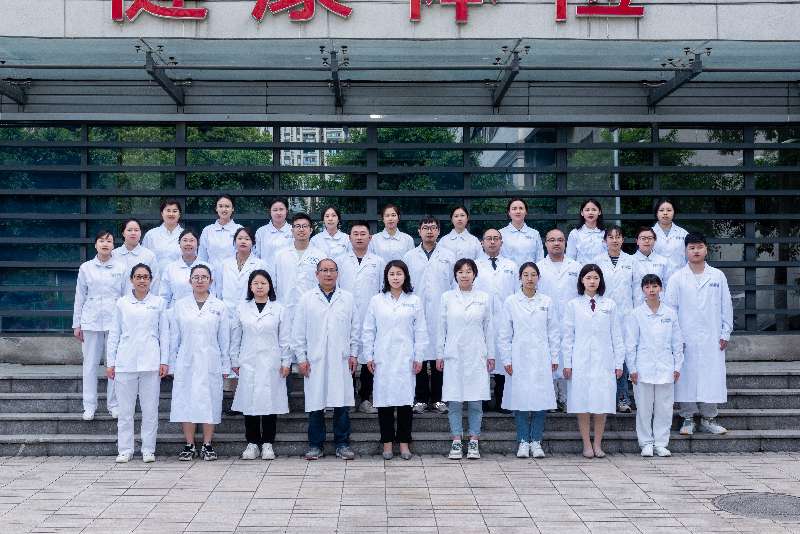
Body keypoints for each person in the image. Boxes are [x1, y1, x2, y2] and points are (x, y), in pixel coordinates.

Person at [665, 232, 733, 436]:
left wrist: (726, 332)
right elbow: (670, 310)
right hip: (685, 338)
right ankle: (687, 417)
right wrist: (674, 338)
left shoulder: (717, 276)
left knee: (711, 376)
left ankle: (709, 418)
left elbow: (726, 305)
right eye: (692, 248)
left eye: (699, 247)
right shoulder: (677, 278)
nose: (696, 251)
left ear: (706, 249)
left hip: (712, 337)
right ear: (685, 251)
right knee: (685, 378)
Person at [292, 259, 359, 460]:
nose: (328, 274)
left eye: (331, 270)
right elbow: (298, 332)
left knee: (341, 403)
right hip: (315, 359)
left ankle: (342, 444)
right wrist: (301, 358)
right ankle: (315, 445)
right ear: (317, 274)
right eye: (324, 270)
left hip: (341, 358)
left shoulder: (347, 298)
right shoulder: (306, 299)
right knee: (315, 404)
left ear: (337, 273)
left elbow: (355, 329)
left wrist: (354, 353)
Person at [361, 260, 428, 460]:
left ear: (405, 276)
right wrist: (369, 355)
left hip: (406, 358)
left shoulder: (414, 300)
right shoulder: (377, 300)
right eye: (392, 274)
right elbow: (368, 330)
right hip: (382, 357)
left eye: (399, 273)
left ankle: (405, 444)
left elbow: (421, 331)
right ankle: (387, 444)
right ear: (386, 277)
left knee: (405, 402)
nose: (395, 277)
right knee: (384, 402)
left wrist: (419, 356)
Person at [106, 263, 169, 464]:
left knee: (150, 411)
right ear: (131, 280)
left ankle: (148, 449)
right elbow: (114, 334)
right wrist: (110, 362)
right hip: (125, 362)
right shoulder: (122, 303)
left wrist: (164, 361)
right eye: (138, 277)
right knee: (125, 411)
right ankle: (125, 449)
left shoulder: (159, 303)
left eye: (145, 277)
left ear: (151, 280)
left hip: (151, 362)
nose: (142, 280)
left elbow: (164, 334)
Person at [168, 264, 231, 461]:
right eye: (196, 277)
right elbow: (174, 338)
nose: (200, 280)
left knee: (210, 401)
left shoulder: (219, 306)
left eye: (204, 277)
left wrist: (226, 365)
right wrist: (171, 363)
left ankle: (207, 444)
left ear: (211, 281)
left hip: (211, 361)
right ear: (190, 281)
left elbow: (224, 339)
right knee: (186, 401)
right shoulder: (180, 306)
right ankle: (189, 445)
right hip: (186, 360)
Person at [562, 264, 625, 458]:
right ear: (582, 280)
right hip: (580, 360)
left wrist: (619, 363)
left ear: (601, 281)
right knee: (582, 403)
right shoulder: (573, 305)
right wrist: (567, 363)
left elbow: (617, 336)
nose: (592, 281)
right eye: (588, 277)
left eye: (596, 278)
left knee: (601, 403)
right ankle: (586, 444)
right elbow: (568, 337)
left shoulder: (609, 305)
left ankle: (598, 444)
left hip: (604, 361)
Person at [499, 262, 559, 459]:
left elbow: (553, 331)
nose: (530, 278)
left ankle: (536, 441)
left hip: (542, 356)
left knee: (541, 400)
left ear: (538, 278)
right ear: (520, 278)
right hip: (519, 356)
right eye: (526, 275)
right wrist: (506, 359)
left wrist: (554, 356)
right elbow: (504, 334)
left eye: (533, 275)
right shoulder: (511, 302)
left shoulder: (547, 301)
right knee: (521, 399)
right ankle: (523, 441)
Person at [230, 270, 291, 461]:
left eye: (263, 283)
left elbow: (285, 338)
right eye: (255, 283)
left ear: (270, 286)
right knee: (249, 403)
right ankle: (252, 443)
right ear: (250, 286)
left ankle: (267, 444)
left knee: (270, 403)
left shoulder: (279, 309)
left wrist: (286, 361)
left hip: (272, 362)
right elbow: (236, 336)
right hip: (248, 361)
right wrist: (234, 359)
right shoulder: (242, 308)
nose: (259, 286)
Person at [437, 258, 494, 460]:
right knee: (454, 400)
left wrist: (491, 354)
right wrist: (439, 354)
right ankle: (456, 439)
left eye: (469, 271)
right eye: (460, 271)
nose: (464, 275)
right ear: (455, 275)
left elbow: (489, 327)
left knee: (475, 400)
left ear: (475, 274)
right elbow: (441, 328)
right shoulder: (447, 297)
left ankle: (473, 440)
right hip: (454, 354)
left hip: (477, 353)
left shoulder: (484, 298)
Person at [403, 216, 456, 415]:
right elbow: (405, 283)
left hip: (440, 312)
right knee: (419, 354)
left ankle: (439, 398)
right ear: (419, 231)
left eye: (433, 228)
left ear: (439, 231)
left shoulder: (448, 256)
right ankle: (420, 398)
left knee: (439, 354)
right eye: (425, 228)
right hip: (415, 311)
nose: (429, 231)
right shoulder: (409, 256)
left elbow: (453, 284)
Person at [627, 274, 684, 457]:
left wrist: (677, 367)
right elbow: (631, 344)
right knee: (644, 409)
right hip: (643, 368)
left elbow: (677, 342)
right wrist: (632, 368)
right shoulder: (636, 314)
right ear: (642, 290)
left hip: (666, 367)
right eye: (647, 287)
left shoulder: (670, 313)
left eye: (655, 286)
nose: (651, 290)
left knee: (664, 408)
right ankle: (646, 443)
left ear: (661, 288)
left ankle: (661, 443)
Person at [72, 230, 126, 421]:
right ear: (95, 244)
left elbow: (126, 297)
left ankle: (114, 404)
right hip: (91, 321)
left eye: (109, 241)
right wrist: (76, 323)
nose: (105, 244)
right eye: (101, 240)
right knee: (90, 365)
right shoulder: (86, 268)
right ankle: (89, 406)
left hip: (114, 322)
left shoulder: (121, 268)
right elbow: (80, 296)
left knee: (113, 365)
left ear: (113, 245)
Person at [337, 221, 386, 414]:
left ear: (370, 237)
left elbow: (382, 290)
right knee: (346, 356)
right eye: (355, 234)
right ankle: (348, 398)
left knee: (368, 357)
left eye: (363, 234)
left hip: (370, 315)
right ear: (349, 237)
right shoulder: (340, 261)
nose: (359, 237)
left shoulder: (378, 262)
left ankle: (365, 398)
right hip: (345, 315)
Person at [536, 228, 581, 412]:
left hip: (571, 320)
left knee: (568, 358)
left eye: (560, 240)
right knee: (549, 358)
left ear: (565, 243)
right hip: (545, 319)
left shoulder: (576, 267)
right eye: (552, 240)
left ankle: (566, 397)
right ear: (545, 243)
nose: (556, 243)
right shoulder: (538, 267)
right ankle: (551, 398)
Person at [593, 225, 636, 413]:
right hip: (603, 314)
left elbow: (636, 289)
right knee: (604, 357)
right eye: (610, 237)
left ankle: (623, 399)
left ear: (623, 240)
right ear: (605, 241)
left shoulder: (631, 261)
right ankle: (605, 399)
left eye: (618, 237)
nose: (615, 240)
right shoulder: (597, 261)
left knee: (622, 358)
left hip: (626, 315)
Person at [473, 228, 518, 412]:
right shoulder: (474, 266)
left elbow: (517, 294)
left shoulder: (511, 266)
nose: (492, 242)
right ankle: (482, 401)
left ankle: (502, 401)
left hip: (504, 320)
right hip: (480, 320)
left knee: (503, 359)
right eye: (488, 239)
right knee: (481, 360)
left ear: (501, 242)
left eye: (496, 239)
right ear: (482, 243)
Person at [273, 212, 326, 324]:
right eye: (297, 226)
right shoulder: (280, 255)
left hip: (312, 310)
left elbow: (324, 285)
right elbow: (274, 284)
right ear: (292, 230)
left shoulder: (320, 256)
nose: (301, 229)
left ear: (310, 230)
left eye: (305, 226)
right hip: (285, 310)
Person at [215, 227, 265, 315]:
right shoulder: (225, 264)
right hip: (227, 311)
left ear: (253, 243)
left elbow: (263, 291)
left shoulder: (260, 264)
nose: (243, 241)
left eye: (247, 239)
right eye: (240, 238)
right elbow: (219, 289)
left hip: (251, 311)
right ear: (234, 242)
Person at [159, 229, 210, 308]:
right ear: (179, 243)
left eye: (192, 240)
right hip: (176, 312)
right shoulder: (170, 268)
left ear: (198, 244)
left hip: (201, 311)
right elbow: (164, 296)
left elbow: (212, 294)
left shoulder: (208, 268)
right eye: (185, 240)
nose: (188, 243)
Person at [113, 219, 159, 294]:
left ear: (140, 233)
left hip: (142, 300)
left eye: (136, 230)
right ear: (123, 233)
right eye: (129, 230)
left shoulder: (149, 255)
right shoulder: (113, 255)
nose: (133, 233)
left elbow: (154, 283)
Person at [198, 194, 242, 274]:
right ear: (216, 208)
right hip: (211, 276)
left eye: (227, 206)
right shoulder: (207, 230)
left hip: (234, 275)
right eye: (220, 206)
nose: (224, 209)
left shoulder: (239, 229)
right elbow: (202, 257)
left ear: (232, 208)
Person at [142, 199, 184, 273]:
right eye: (168, 211)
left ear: (179, 214)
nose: (171, 214)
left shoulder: (186, 235)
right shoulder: (151, 235)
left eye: (174, 211)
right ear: (162, 213)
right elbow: (143, 259)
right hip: (155, 278)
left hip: (180, 277)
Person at [652, 198, 689, 281]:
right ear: (656, 213)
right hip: (655, 281)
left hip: (680, 279)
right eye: (661, 210)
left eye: (669, 210)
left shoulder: (683, 233)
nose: (665, 213)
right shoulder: (649, 234)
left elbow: (690, 258)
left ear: (674, 212)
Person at [631, 227, 670, 306]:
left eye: (650, 238)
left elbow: (668, 286)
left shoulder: (663, 261)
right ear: (637, 241)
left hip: (659, 305)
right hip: (637, 305)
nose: (647, 241)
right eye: (643, 238)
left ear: (655, 240)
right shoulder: (629, 261)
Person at [499, 198, 544, 265]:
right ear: (509, 213)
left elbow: (540, 258)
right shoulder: (500, 234)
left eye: (521, 208)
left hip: (530, 271)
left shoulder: (534, 234)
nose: (518, 211)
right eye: (514, 209)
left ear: (526, 212)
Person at [255, 198, 294, 273]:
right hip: (266, 274)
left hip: (289, 273)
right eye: (275, 210)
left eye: (281, 209)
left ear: (286, 211)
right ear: (270, 211)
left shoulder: (293, 231)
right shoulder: (261, 232)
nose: (278, 213)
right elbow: (257, 256)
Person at [566, 199, 606, 264]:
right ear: (582, 213)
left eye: (594, 210)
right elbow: (570, 258)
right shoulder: (575, 233)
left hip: (602, 269)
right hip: (581, 269)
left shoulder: (605, 233)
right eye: (587, 210)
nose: (590, 212)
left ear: (599, 212)